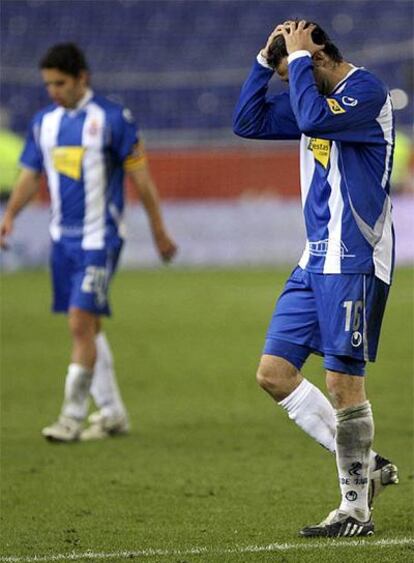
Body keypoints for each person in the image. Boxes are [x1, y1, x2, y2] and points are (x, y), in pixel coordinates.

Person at [233, 20, 399, 537]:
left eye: (295, 71)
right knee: (273, 373)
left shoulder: (365, 92)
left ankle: (355, 510)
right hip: (315, 259)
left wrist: (299, 60)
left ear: (319, 53)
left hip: (355, 257)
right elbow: (248, 122)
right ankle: (366, 465)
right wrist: (266, 63)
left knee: (343, 382)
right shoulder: (311, 94)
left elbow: (310, 115)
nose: (291, 82)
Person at [0, 43, 177, 442]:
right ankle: (113, 413)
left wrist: (159, 230)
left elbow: (142, 181)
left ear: (83, 78)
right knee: (88, 326)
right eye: (47, 84)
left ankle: (72, 417)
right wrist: (10, 215)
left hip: (101, 239)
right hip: (62, 241)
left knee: (79, 322)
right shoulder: (44, 122)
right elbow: (30, 174)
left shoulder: (113, 119)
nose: (52, 91)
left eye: (60, 83)